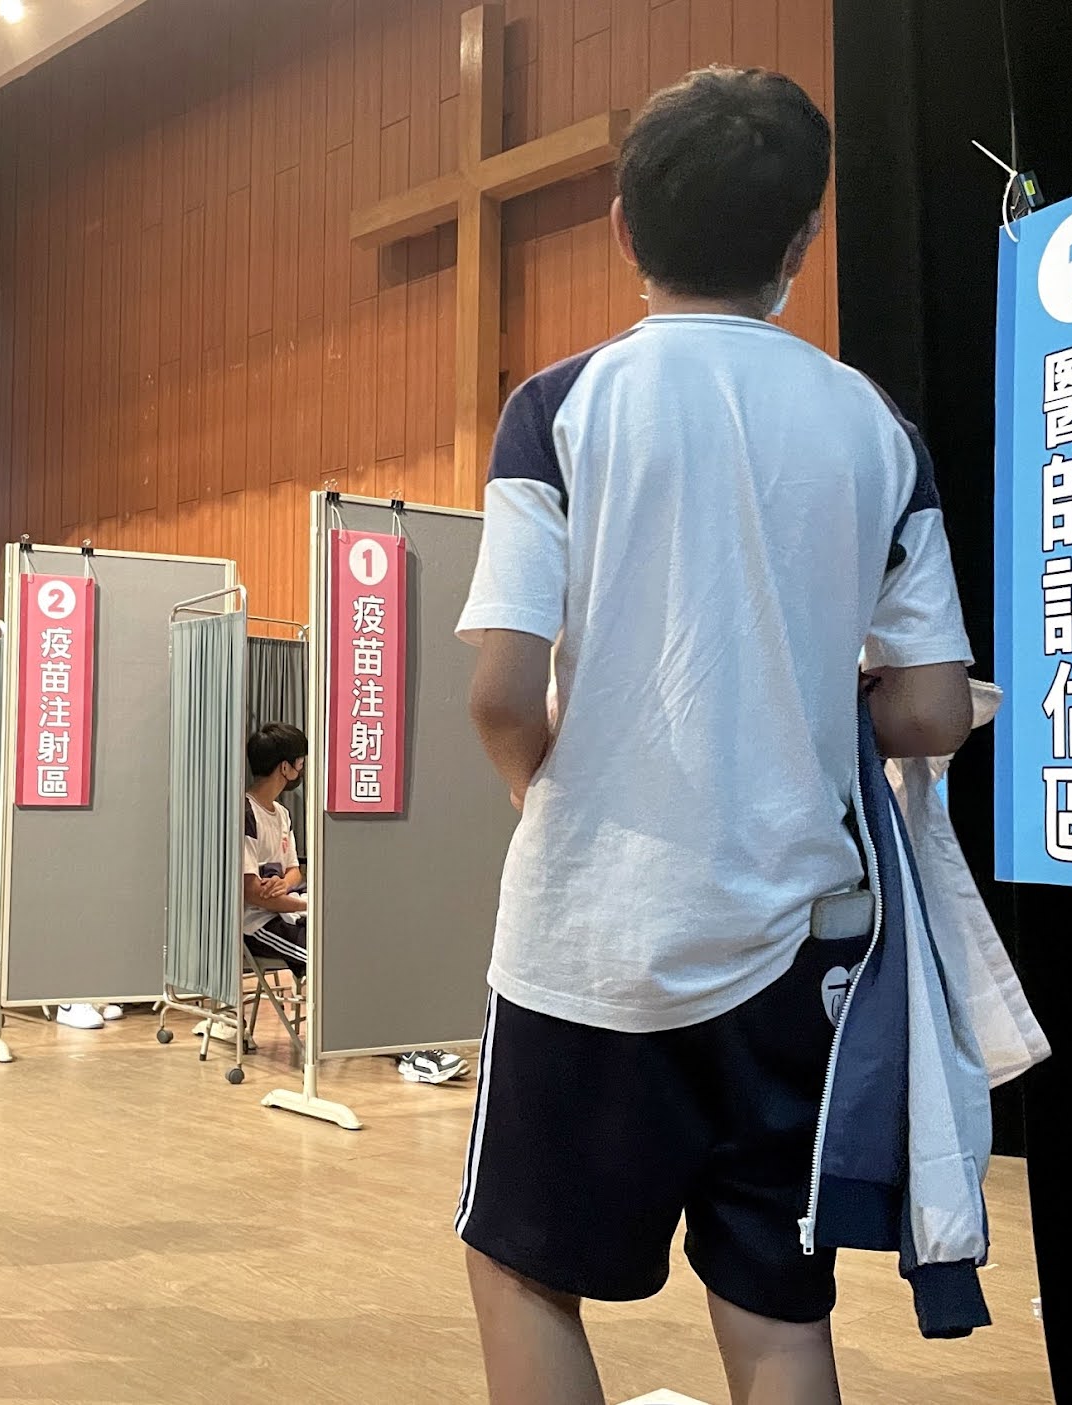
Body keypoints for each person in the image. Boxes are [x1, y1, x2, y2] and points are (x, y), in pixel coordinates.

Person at [453, 68, 975, 1405]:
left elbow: (501, 689)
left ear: (622, 227)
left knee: (523, 1272)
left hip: (589, 938)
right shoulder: (876, 428)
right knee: (777, 1313)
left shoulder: (559, 407)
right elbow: (930, 710)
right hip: (800, 945)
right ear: (803, 240)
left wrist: (540, 793)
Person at [240, 724, 467, 1086]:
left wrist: (288, 884)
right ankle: (409, 1051)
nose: (303, 768)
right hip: (261, 925)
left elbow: (294, 870)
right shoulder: (246, 813)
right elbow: (252, 893)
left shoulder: (281, 814)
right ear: (286, 767)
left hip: (292, 909)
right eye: (301, 762)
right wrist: (307, 906)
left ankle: (412, 1040)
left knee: (366, 946)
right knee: (337, 963)